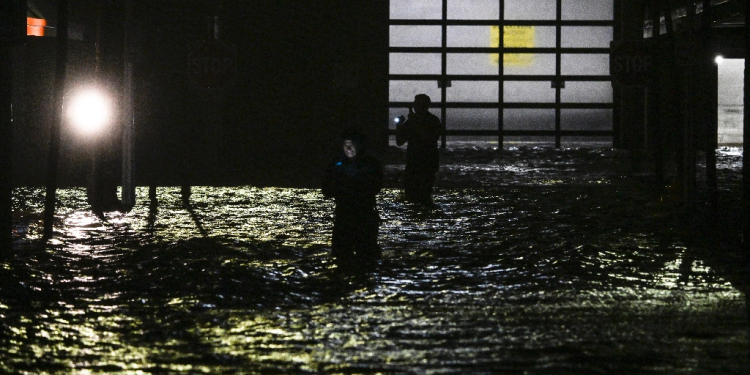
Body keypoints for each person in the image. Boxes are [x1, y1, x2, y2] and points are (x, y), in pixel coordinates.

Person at [322, 129, 383, 261]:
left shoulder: (371, 164)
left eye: (352, 144)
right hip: (344, 217)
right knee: (341, 255)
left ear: (360, 145)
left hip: (365, 216)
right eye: (345, 144)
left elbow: (376, 187)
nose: (348, 148)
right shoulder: (336, 165)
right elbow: (326, 190)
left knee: (366, 255)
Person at [396, 94, 445, 205]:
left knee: (418, 195)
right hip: (419, 162)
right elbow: (400, 142)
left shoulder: (431, 120)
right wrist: (399, 126)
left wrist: (411, 124)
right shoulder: (431, 120)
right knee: (421, 195)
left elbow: (430, 138)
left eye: (417, 103)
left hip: (422, 162)